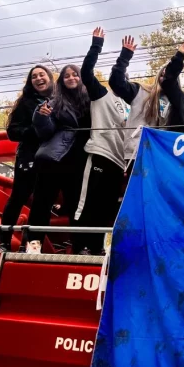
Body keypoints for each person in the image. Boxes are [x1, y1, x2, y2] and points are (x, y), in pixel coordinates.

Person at [73, 27, 127, 255]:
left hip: (119, 163)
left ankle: (97, 248)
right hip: (100, 153)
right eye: (119, 77)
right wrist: (97, 45)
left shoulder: (130, 106)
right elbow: (86, 73)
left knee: (107, 208)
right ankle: (80, 247)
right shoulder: (101, 94)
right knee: (89, 203)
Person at [26, 64, 91, 254]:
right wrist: (41, 118)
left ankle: (81, 247)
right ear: (61, 81)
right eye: (66, 76)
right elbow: (45, 132)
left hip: (80, 161)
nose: (71, 78)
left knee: (76, 206)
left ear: (81, 77)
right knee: (42, 204)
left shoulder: (91, 100)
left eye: (75, 75)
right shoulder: (54, 102)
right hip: (54, 160)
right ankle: (33, 244)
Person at [0, 65, 54, 252]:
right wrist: (36, 130)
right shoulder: (26, 103)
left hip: (51, 158)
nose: (38, 78)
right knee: (18, 198)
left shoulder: (59, 101)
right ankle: (2, 242)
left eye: (41, 74)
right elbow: (12, 132)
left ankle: (33, 244)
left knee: (43, 202)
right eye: (34, 76)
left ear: (50, 78)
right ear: (31, 82)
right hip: (28, 157)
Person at [109, 35, 171, 166]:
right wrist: (125, 57)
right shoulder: (141, 91)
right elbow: (116, 83)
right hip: (137, 153)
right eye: (163, 73)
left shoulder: (178, 101)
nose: (165, 76)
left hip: (163, 158)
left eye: (170, 74)